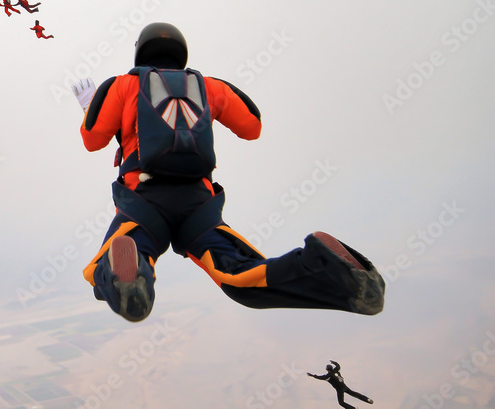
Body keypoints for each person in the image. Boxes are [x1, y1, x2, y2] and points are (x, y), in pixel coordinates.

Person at [73, 22, 385, 322]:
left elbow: (92, 139)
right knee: (240, 276)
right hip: (199, 204)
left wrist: (92, 106)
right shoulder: (210, 86)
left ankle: (130, 277)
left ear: (140, 52)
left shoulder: (122, 85)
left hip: (144, 200)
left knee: (109, 267)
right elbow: (252, 127)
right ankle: (336, 274)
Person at [308, 361, 374, 408]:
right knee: (354, 394)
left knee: (341, 403)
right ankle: (367, 399)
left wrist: (312, 375)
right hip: (344, 386)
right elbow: (338, 366)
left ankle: (353, 408)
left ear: (327, 369)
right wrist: (334, 362)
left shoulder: (328, 376)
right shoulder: (336, 370)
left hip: (339, 389)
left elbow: (320, 377)